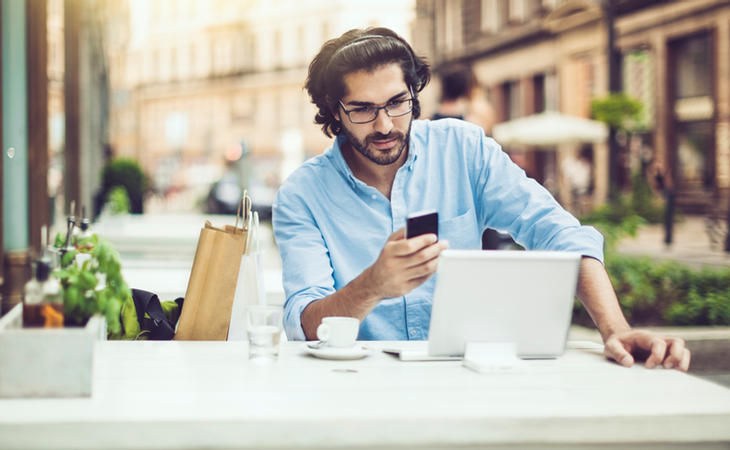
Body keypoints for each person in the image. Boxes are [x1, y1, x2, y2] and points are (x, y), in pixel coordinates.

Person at [272, 27, 690, 372]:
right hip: (356, 382)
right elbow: (304, 324)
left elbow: (558, 232)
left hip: (466, 374)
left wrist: (614, 329)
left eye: (397, 103)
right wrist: (371, 286)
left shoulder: (463, 149)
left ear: (415, 94)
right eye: (362, 109)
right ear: (335, 110)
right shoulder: (302, 195)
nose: (384, 125)